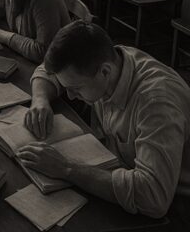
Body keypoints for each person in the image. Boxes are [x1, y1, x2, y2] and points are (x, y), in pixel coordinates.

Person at [20, 21, 190, 225]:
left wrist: (66, 168)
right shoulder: (111, 60)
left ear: (105, 72)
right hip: (123, 172)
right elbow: (49, 70)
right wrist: (40, 99)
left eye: (76, 88)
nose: (71, 96)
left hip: (176, 207)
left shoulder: (157, 103)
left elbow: (152, 197)